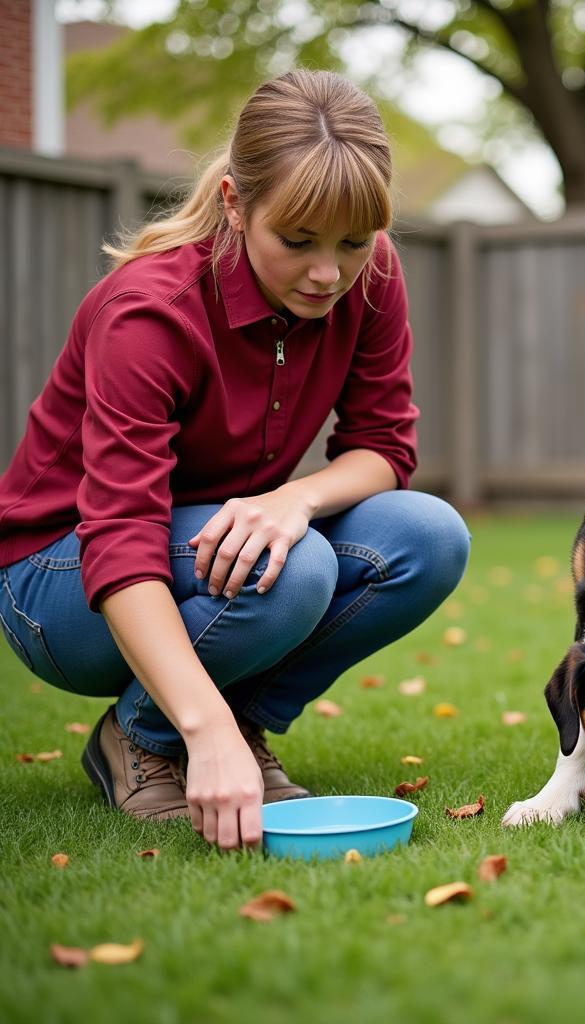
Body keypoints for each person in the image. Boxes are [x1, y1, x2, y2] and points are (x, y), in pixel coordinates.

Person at [0, 69, 470, 851]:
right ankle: (152, 739)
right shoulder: (148, 313)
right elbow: (120, 539)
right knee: (296, 571)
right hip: (58, 581)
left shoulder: (372, 275)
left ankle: (199, 723)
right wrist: (203, 726)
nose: (329, 273)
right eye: (298, 241)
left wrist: (296, 500)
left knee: (429, 537)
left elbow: (385, 448)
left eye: (353, 243)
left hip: (209, 548)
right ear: (233, 203)